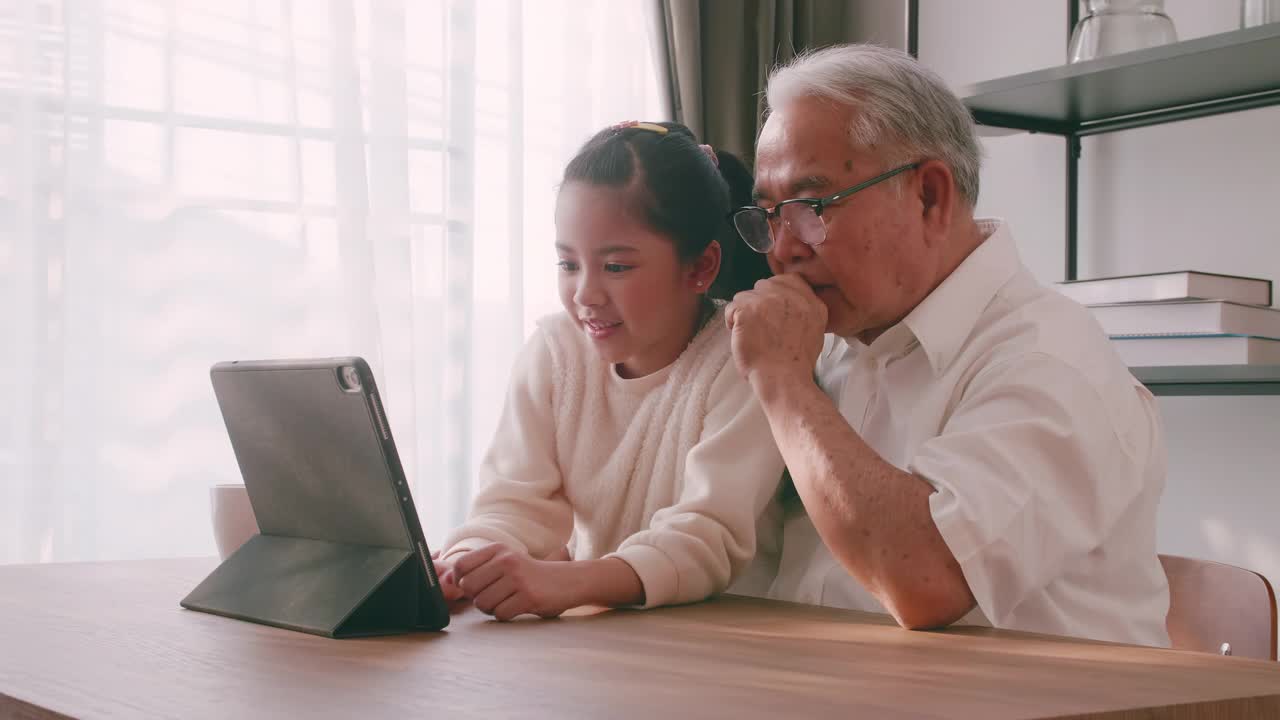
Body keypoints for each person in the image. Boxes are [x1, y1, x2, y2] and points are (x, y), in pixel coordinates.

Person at [724, 44, 1170, 646]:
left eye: (810, 207)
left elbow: (926, 580)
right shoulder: (830, 346)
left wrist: (783, 384)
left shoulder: (1050, 360)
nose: (782, 250)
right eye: (770, 216)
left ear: (930, 196)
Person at [434, 121, 784, 621]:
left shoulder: (744, 360)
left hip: (727, 643)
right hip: (606, 639)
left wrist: (565, 582)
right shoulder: (555, 352)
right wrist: (465, 564)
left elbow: (706, 539)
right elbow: (513, 505)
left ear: (701, 268)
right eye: (568, 265)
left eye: (616, 267)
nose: (585, 295)